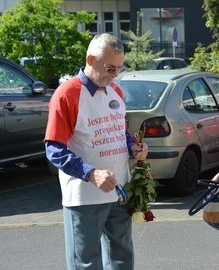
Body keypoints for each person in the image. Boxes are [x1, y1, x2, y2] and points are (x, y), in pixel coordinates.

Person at [44, 33, 148, 270]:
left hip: (120, 190)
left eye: (119, 68)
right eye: (110, 68)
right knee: (86, 263)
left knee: (122, 258)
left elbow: (118, 131)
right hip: (84, 197)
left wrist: (134, 147)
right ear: (90, 60)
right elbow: (54, 148)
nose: (115, 75)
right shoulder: (67, 94)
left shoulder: (116, 92)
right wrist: (91, 174)